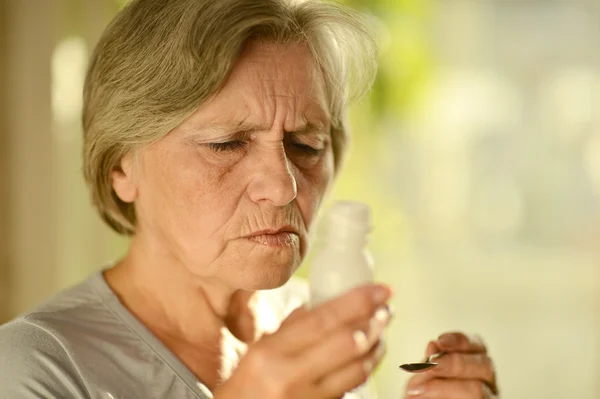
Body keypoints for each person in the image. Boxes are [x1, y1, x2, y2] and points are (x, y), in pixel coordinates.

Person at [0, 0, 499, 398]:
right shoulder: (36, 367)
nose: (284, 186)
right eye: (226, 144)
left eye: (307, 145)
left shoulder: (315, 325)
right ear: (120, 167)